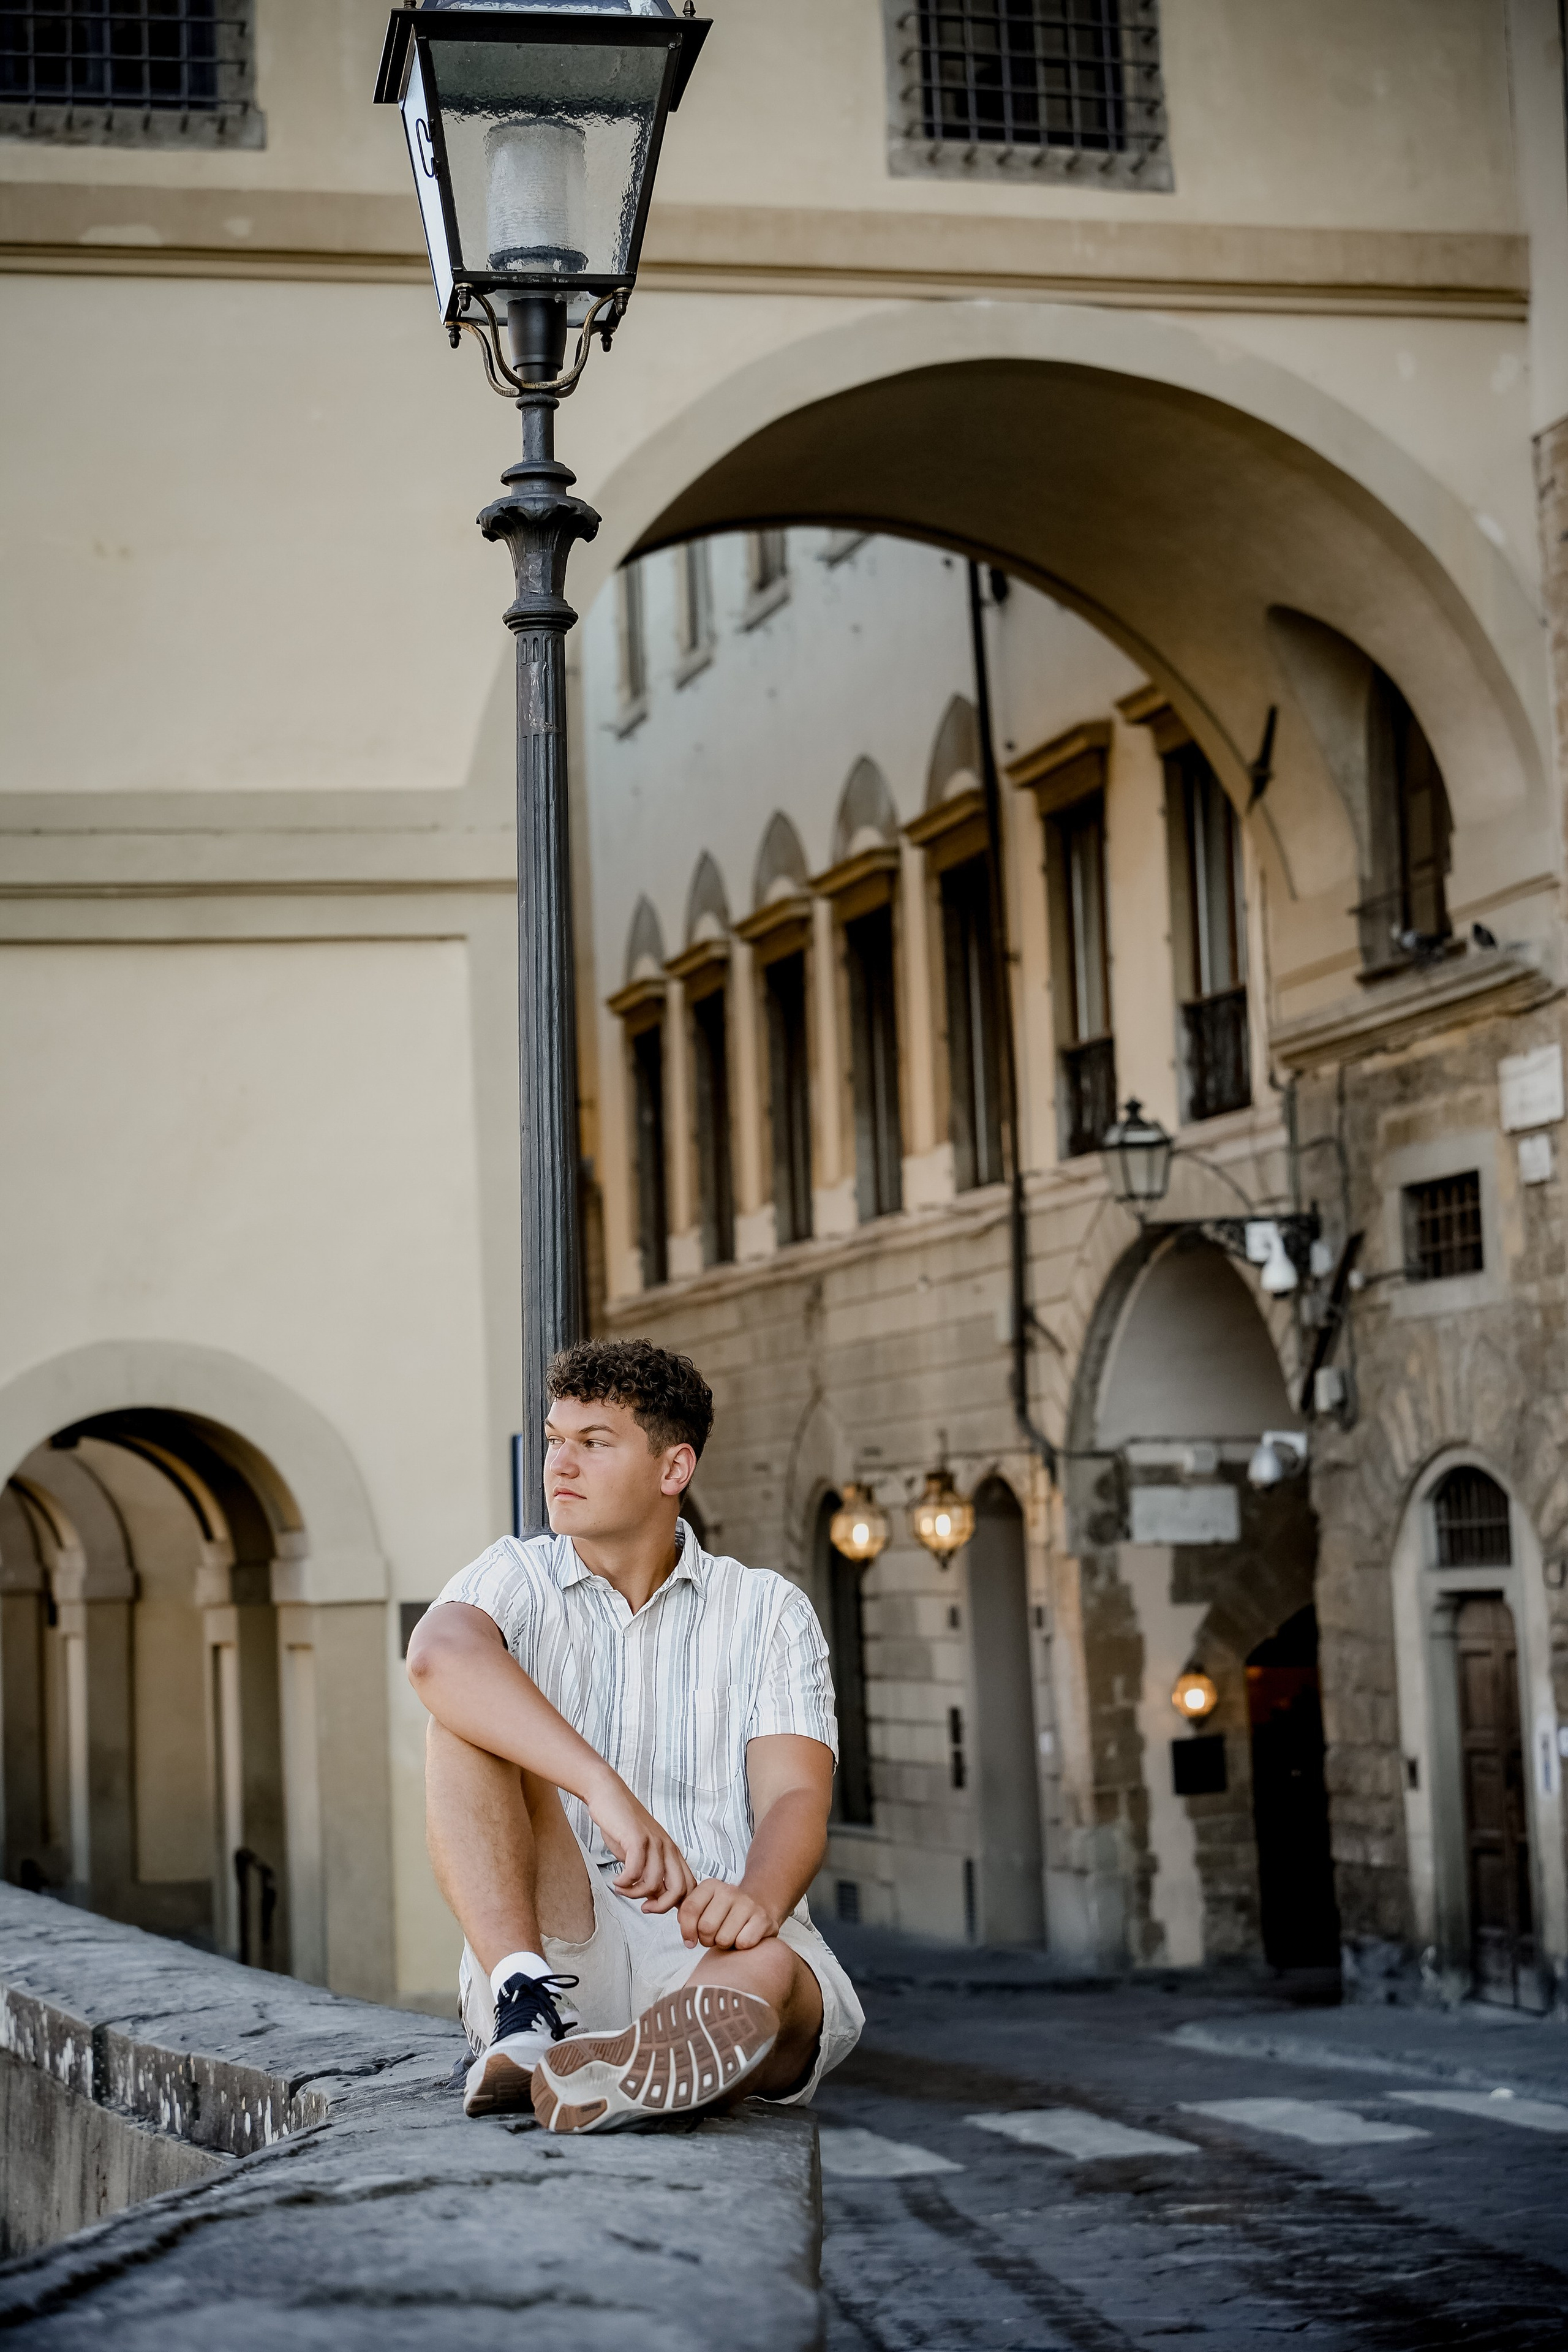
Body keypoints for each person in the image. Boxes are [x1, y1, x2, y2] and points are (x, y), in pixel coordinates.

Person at [407, 1337, 863, 2134]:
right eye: (555, 1440)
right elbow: (437, 1658)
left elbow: (795, 1793)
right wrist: (601, 1786)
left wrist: (756, 1900)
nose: (561, 1465)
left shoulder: (767, 1609)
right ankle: (525, 2007)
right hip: (561, 1941)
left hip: (711, 1937)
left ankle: (650, 2064)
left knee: (767, 1977)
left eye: (594, 1444)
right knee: (462, 1721)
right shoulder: (515, 1578)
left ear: (673, 1469)